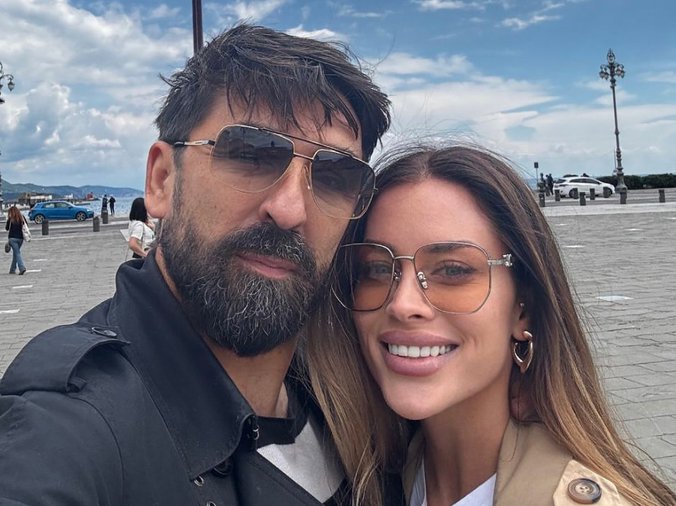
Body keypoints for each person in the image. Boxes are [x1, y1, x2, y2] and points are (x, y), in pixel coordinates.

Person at [0, 23, 396, 506]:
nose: (290, 210)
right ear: (162, 180)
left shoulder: (356, 398)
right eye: (251, 153)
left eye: (336, 175)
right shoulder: (75, 424)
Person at [323, 145, 676, 505]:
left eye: (453, 270)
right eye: (378, 269)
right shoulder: (383, 473)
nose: (402, 304)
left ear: (523, 308)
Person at [4, 205, 28, 275]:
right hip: (20, 238)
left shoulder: (10, 219)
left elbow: (7, 228)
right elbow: (25, 225)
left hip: (12, 238)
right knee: (16, 253)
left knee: (17, 253)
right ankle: (12, 269)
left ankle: (22, 268)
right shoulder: (22, 218)